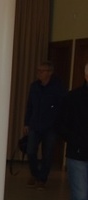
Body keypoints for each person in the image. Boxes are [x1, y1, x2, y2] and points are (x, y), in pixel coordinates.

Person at [56, 62, 88, 200]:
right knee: (81, 198)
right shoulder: (73, 98)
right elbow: (61, 124)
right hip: (78, 156)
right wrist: (75, 141)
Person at [24, 61, 67, 189]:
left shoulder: (58, 87)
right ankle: (35, 174)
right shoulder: (34, 86)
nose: (39, 73)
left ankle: (42, 179)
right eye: (38, 70)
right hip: (35, 124)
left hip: (51, 127)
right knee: (30, 151)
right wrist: (26, 123)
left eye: (42, 71)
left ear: (49, 73)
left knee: (47, 154)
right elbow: (30, 106)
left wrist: (59, 124)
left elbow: (63, 107)